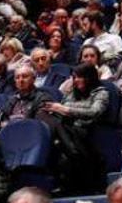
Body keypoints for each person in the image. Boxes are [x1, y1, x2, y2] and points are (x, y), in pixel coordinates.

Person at [40, 63, 113, 195]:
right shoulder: (72, 93)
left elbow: (94, 111)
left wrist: (67, 109)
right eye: (74, 77)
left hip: (87, 131)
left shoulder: (101, 92)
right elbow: (60, 108)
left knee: (58, 128)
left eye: (80, 77)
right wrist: (55, 110)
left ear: (89, 77)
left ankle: (66, 147)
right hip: (68, 131)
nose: (76, 80)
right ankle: (69, 150)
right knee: (45, 116)